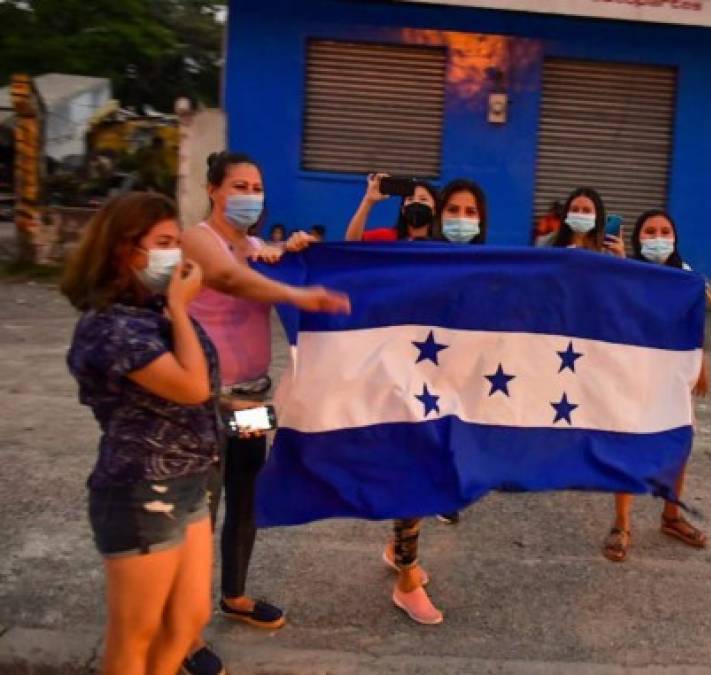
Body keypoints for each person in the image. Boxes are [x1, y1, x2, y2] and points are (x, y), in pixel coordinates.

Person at [180, 151, 349, 671]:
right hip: (204, 403)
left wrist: (293, 251)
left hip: (253, 400)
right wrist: (298, 289)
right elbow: (233, 281)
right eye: (239, 185)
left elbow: (259, 262)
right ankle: (184, 636)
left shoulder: (254, 246)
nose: (251, 194)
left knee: (246, 500)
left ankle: (234, 595)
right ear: (213, 189)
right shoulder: (196, 242)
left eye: (257, 185)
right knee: (197, 519)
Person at [62, 192, 217, 675]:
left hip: (188, 481)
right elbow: (191, 387)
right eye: (164, 243)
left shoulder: (153, 312)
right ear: (125, 251)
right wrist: (180, 306)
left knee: (189, 618)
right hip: (140, 490)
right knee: (136, 635)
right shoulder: (111, 327)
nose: (178, 254)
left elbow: (196, 388)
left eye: (178, 241)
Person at [375, 176, 489, 625]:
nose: (461, 219)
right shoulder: (422, 257)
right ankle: (406, 582)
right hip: (414, 387)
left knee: (436, 479)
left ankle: (398, 551)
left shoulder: (490, 266)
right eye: (454, 211)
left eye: (470, 212)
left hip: (456, 391)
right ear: (440, 215)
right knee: (416, 478)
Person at [602, 209, 710, 562]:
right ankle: (621, 525)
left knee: (677, 444)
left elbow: (695, 326)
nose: (658, 237)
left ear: (675, 238)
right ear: (638, 239)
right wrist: (620, 266)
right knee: (628, 446)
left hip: (674, 374)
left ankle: (671, 516)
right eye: (650, 231)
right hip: (633, 372)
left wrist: (702, 365)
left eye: (665, 231)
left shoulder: (686, 279)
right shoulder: (629, 273)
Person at [345, 173, 440, 242]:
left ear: (434, 209)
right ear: (403, 209)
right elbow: (352, 241)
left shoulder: (442, 244)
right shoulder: (387, 237)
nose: (416, 202)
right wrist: (368, 200)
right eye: (410, 199)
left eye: (423, 199)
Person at [551, 187, 625, 257]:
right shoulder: (549, 243)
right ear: (566, 214)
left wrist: (620, 257)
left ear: (597, 216)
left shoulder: (606, 252)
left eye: (587, 210)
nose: (580, 214)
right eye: (574, 210)